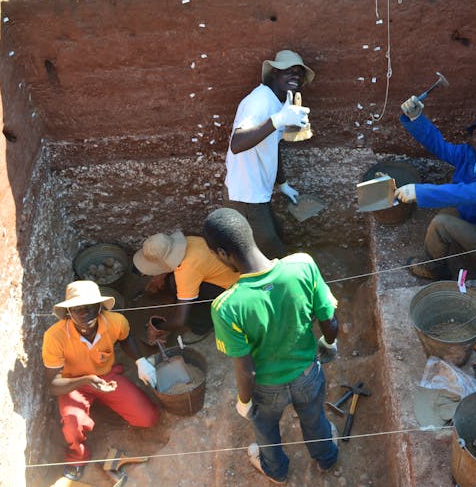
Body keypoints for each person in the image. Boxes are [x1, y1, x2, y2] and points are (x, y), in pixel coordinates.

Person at [203, 208, 339, 484]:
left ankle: (276, 471)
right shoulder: (302, 265)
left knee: (266, 428)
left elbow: (246, 370)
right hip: (307, 374)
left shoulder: (226, 307)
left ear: (222, 254)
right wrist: (329, 342)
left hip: (266, 388)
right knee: (313, 416)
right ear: (250, 233)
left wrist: (244, 402)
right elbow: (330, 321)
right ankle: (326, 457)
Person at [394, 95, 476, 279]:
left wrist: (419, 191)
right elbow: (440, 147)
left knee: (441, 224)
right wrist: (416, 118)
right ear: (472, 138)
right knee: (447, 212)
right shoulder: (469, 155)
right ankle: (454, 254)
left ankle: (433, 269)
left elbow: (472, 193)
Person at [42, 280, 160, 481]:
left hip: (107, 377)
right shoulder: (55, 336)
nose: (83, 313)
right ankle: (77, 457)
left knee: (147, 418)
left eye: (89, 307)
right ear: (68, 312)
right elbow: (54, 385)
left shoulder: (115, 322)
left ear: (99, 307)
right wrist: (87, 380)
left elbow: (125, 338)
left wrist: (140, 361)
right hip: (74, 384)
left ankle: (109, 409)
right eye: (76, 308)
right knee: (72, 424)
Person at [223, 49, 315, 259]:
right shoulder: (260, 102)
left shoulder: (282, 102)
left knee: (276, 234)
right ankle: (281, 289)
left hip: (258, 192)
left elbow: (273, 144)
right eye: (289, 71)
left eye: (299, 73)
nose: (296, 77)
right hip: (245, 195)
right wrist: (277, 120)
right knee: (271, 253)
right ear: (274, 73)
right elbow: (237, 144)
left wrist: (282, 184)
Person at [133, 230, 240, 342]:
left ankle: (202, 324)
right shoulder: (190, 240)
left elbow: (180, 320)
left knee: (181, 292)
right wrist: (161, 275)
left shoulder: (187, 270)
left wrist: (157, 327)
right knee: (175, 282)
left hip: (235, 297)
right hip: (236, 276)